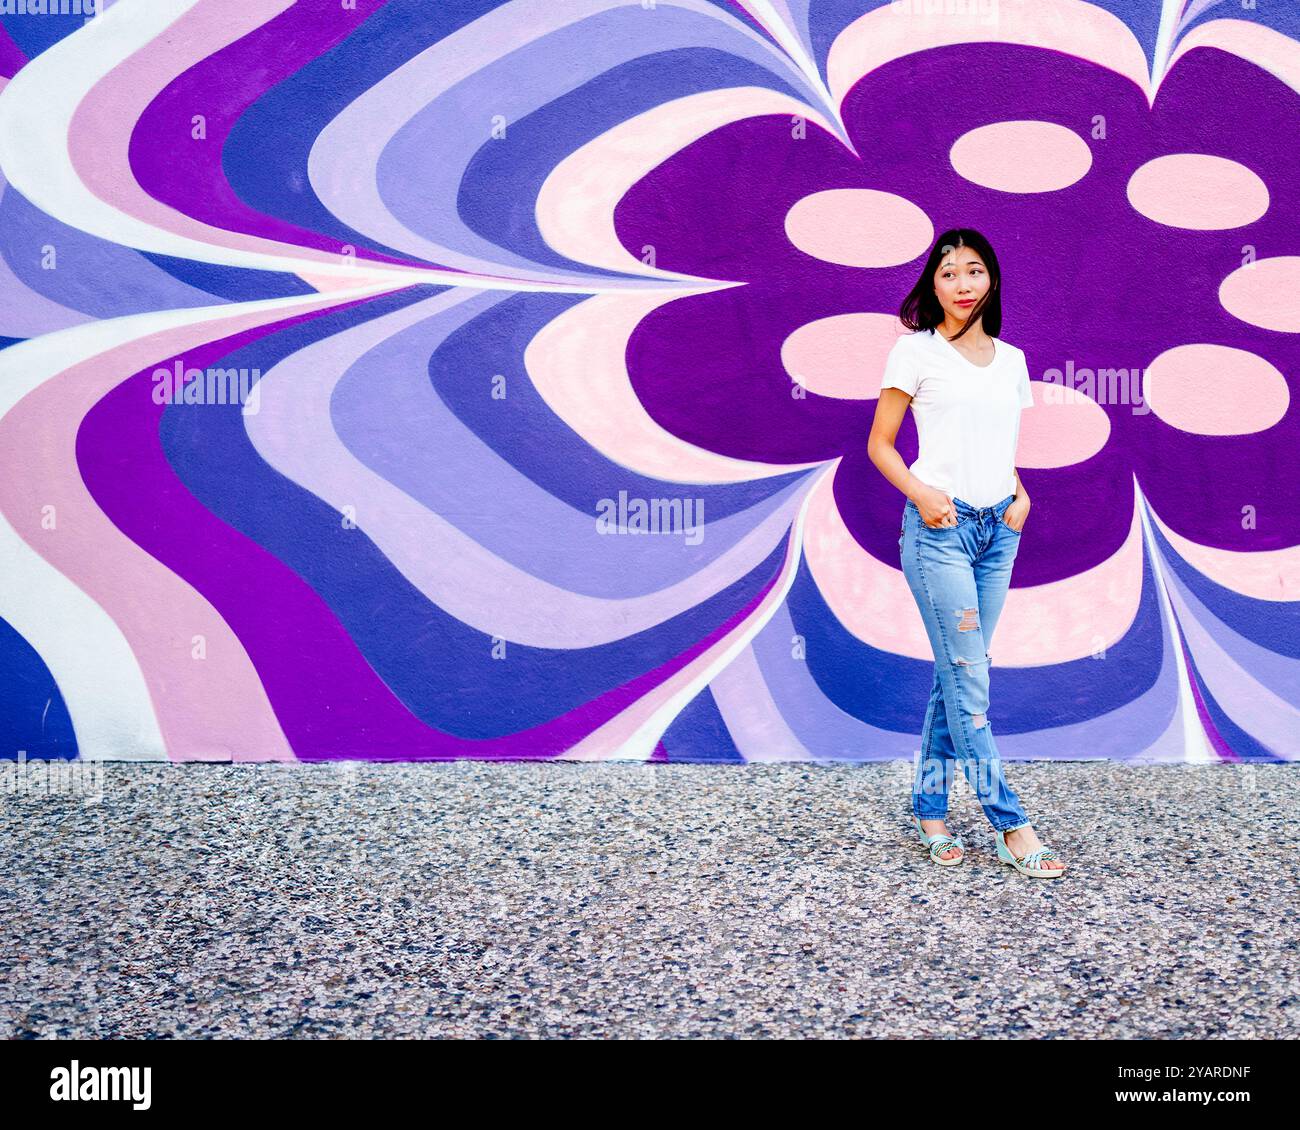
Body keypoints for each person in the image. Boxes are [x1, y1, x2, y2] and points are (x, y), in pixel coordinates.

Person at [866, 228, 1066, 878]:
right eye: (948, 274)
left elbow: (993, 442)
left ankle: (928, 810)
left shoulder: (1011, 360)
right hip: (940, 531)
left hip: (997, 532)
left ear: (992, 280)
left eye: (973, 271)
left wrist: (1021, 494)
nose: (961, 285)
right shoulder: (914, 353)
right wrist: (923, 495)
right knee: (970, 682)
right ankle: (1012, 824)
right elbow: (881, 445)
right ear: (934, 284)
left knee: (954, 677)